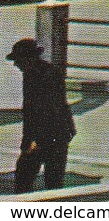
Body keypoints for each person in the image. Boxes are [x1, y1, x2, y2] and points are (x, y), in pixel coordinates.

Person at [9, 38, 74, 193]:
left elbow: (49, 110)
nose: (15, 64)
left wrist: (34, 141)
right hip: (52, 134)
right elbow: (30, 112)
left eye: (18, 60)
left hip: (51, 135)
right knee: (48, 182)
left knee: (30, 181)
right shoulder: (33, 74)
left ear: (28, 59)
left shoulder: (45, 76)